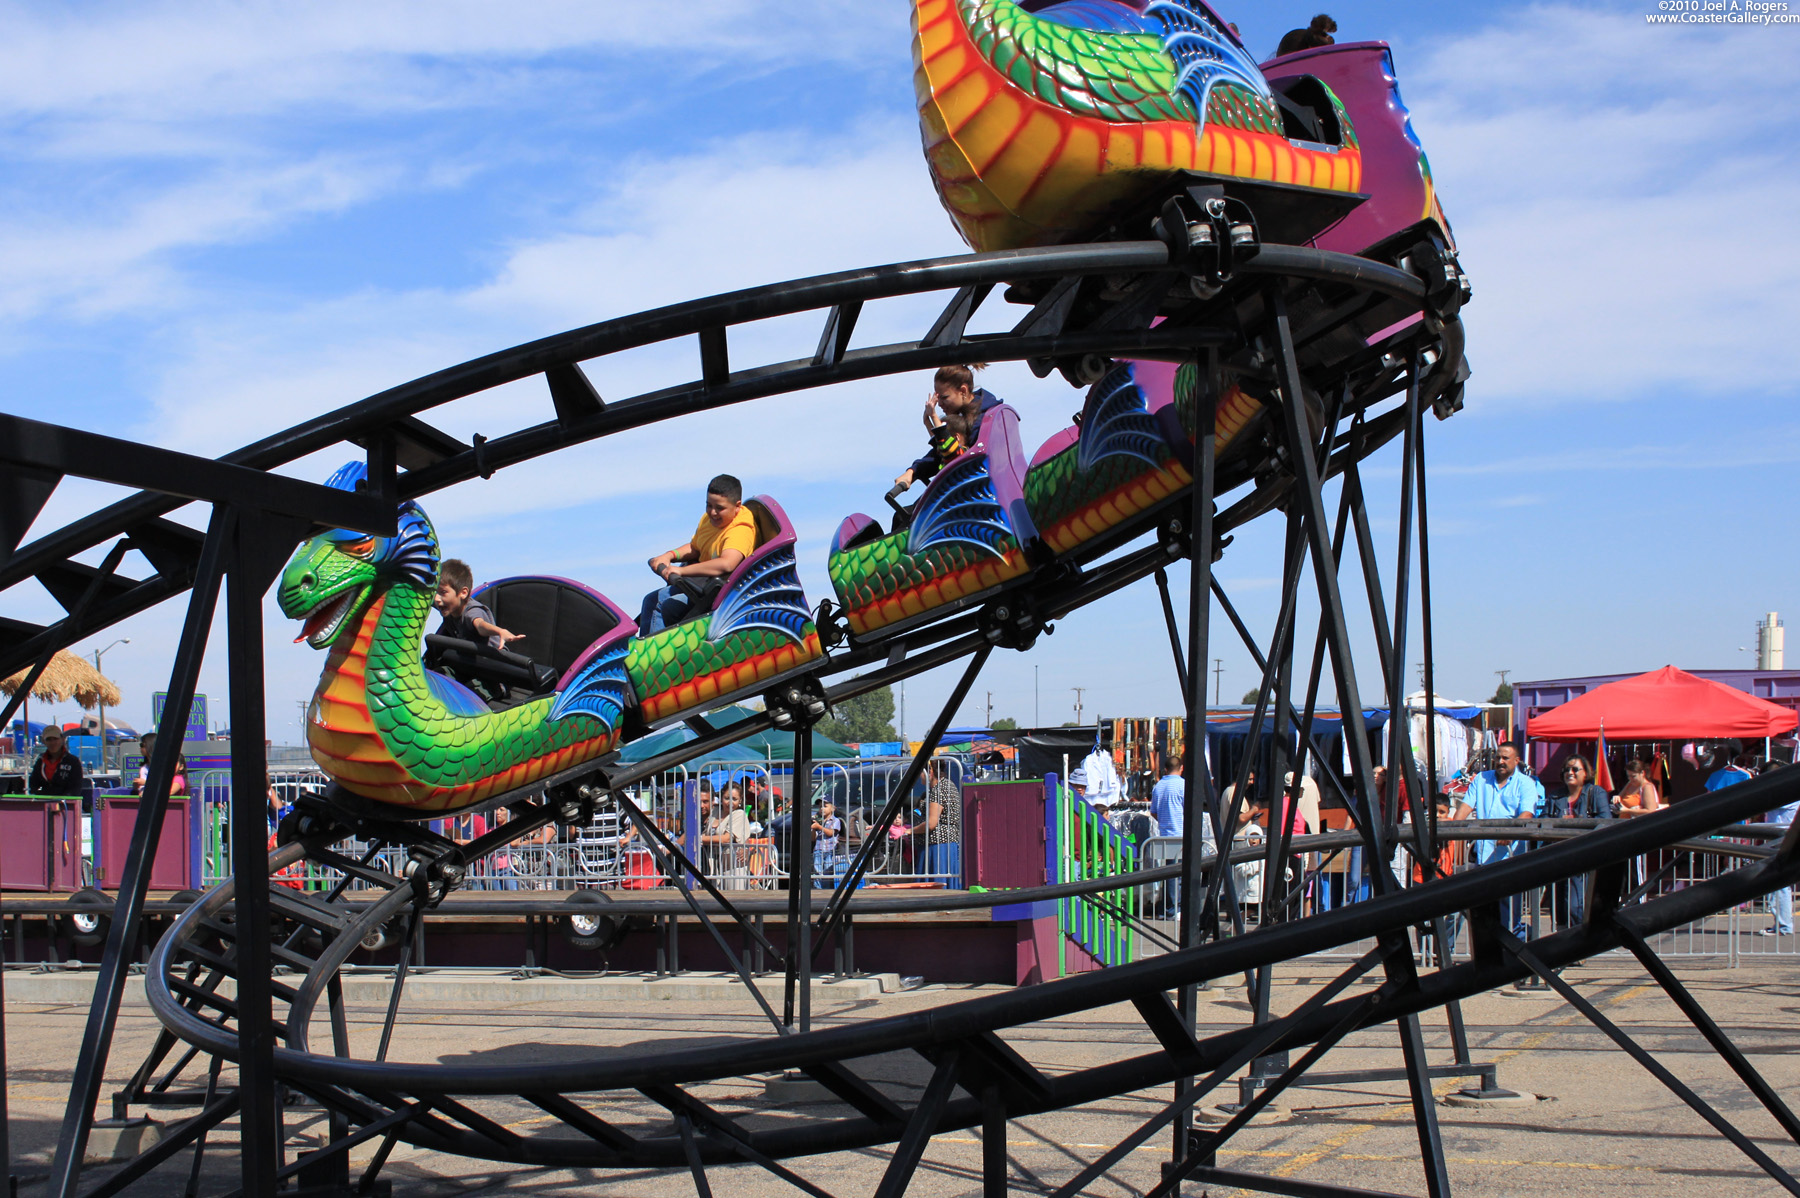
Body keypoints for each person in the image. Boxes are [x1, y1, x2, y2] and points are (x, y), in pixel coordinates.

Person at [639, 474, 757, 636]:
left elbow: (727, 563)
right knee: (652, 599)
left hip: (721, 599)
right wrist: (669, 556)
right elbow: (696, 548)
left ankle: (653, 657)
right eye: (709, 505)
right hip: (701, 585)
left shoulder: (740, 530)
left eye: (720, 508)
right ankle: (639, 649)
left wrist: (681, 571)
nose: (713, 512)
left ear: (737, 506)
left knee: (665, 607)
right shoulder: (710, 520)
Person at [1452, 741, 1538, 935]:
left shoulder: (1526, 783)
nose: (1500, 761)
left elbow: (1526, 814)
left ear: (1516, 761)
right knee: (1483, 910)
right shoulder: (1481, 779)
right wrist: (1453, 828)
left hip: (1510, 857)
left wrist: (1510, 832)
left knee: (1509, 913)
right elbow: (1466, 806)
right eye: (1497, 757)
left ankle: (1523, 940)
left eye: (1505, 758)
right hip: (1484, 856)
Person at [893, 364, 1004, 493]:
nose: (939, 404)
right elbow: (941, 452)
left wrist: (933, 420)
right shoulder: (959, 417)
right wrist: (913, 471)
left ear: (963, 391)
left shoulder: (985, 421)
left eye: (944, 397)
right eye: (938, 398)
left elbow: (953, 453)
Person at [1555, 755, 1613, 924]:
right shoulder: (1556, 796)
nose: (1570, 773)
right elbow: (1543, 822)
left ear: (1586, 773)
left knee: (1576, 905)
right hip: (1559, 856)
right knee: (1560, 907)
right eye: (1567, 769)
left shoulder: (1595, 793)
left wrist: (1577, 828)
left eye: (1575, 769)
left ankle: (1580, 939)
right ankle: (1564, 940)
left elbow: (1605, 821)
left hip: (1583, 856)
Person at [433, 559, 522, 650]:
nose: (436, 598)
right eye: (434, 592)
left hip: (492, 661)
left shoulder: (471, 611)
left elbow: (480, 625)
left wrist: (500, 631)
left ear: (463, 593)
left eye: (443, 592)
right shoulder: (447, 606)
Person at [1761, 762, 1794, 937]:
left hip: (1782, 840)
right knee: (1780, 884)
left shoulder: (1785, 791)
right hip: (1781, 839)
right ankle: (1782, 924)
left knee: (1779, 883)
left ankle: (1784, 925)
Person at [918, 759, 962, 886]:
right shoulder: (948, 785)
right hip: (948, 843)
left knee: (936, 884)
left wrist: (910, 830)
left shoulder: (937, 790)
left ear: (930, 772)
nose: (919, 775)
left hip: (937, 847)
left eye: (921, 771)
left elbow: (931, 823)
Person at [29, 726, 84, 798]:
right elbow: (33, 784)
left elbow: (76, 788)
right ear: (44, 742)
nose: (52, 743)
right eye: (49, 739)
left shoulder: (73, 761)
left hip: (66, 804)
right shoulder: (41, 761)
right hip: (43, 803)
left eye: (55, 739)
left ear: (62, 739)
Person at [812, 800, 843, 887]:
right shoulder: (818, 820)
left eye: (825, 806)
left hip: (830, 850)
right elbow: (812, 838)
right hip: (818, 849)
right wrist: (814, 828)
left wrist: (819, 827)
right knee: (817, 871)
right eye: (820, 807)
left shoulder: (835, 821)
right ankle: (818, 888)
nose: (822, 808)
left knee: (828, 871)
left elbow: (830, 833)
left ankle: (826, 888)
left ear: (833, 808)